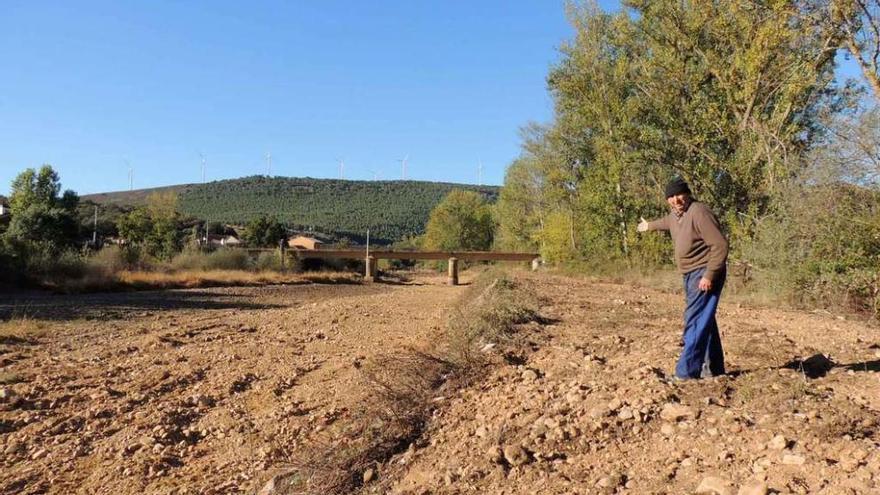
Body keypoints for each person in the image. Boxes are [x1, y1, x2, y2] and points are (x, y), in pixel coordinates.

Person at [637, 177, 729, 380]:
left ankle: (686, 373)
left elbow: (720, 245)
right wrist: (649, 226)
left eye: (679, 194)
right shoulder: (676, 215)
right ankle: (714, 369)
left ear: (687, 194)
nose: (675, 200)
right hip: (690, 274)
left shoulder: (699, 212)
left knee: (695, 321)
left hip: (703, 272)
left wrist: (709, 275)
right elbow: (665, 222)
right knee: (705, 320)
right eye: (671, 196)